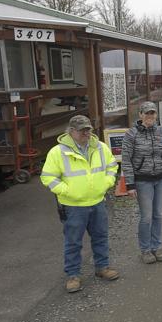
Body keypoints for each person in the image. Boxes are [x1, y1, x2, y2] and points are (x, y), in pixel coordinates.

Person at [40, 115, 120, 293]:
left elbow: (112, 166)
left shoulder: (100, 147)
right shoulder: (57, 152)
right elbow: (47, 177)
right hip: (73, 206)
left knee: (101, 236)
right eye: (81, 130)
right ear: (71, 131)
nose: (86, 133)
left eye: (88, 129)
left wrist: (106, 183)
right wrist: (66, 191)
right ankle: (73, 275)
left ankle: (102, 267)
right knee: (73, 242)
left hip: (98, 201)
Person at [121, 101, 162, 264]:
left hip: (160, 179)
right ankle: (145, 250)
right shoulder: (131, 134)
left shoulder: (161, 132)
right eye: (147, 113)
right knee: (146, 217)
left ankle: (157, 246)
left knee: (158, 214)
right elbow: (126, 161)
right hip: (142, 181)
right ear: (140, 115)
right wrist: (130, 185)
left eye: (152, 113)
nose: (150, 116)